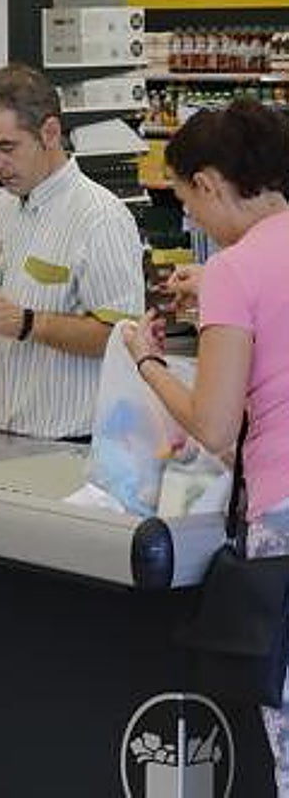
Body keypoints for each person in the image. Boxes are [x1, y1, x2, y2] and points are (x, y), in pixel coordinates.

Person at [122, 99, 289, 793]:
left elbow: (216, 426)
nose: (191, 219)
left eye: (188, 199)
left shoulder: (235, 271)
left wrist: (147, 362)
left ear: (214, 184)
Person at [0, 63, 145, 440]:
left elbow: (122, 338)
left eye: (7, 147)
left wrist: (27, 323)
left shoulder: (100, 217)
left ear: (50, 132)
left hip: (69, 444)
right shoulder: (4, 210)